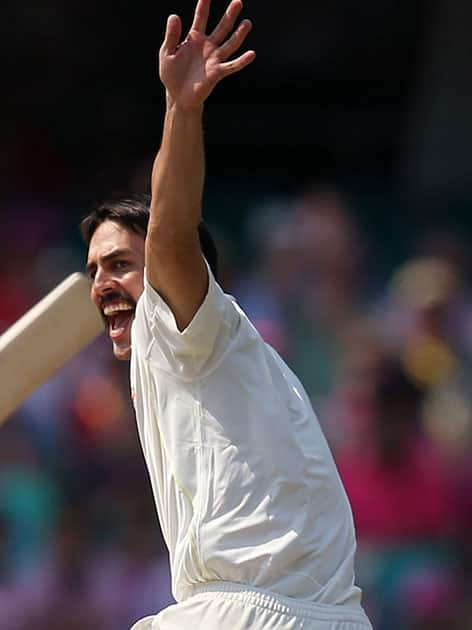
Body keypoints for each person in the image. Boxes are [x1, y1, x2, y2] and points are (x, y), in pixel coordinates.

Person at [82, 1, 372, 628]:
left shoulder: (192, 328)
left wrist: (180, 111)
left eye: (119, 264)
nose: (102, 282)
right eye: (94, 270)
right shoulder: (213, 362)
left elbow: (169, 235)